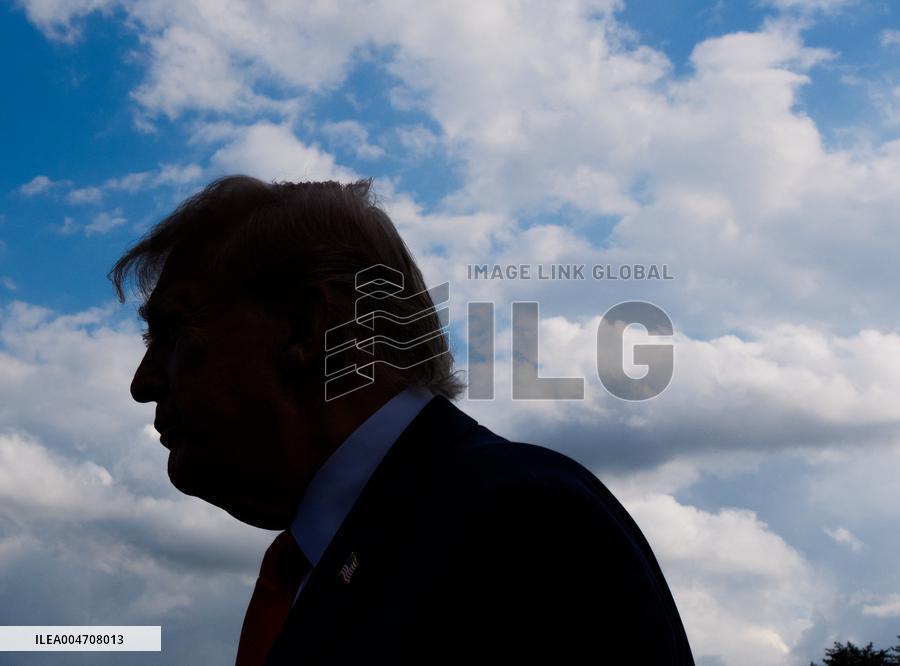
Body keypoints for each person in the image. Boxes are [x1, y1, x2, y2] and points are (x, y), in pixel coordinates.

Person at [113, 176, 695, 665]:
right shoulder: (377, 547)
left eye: (171, 332)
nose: (144, 383)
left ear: (303, 327)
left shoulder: (520, 525)